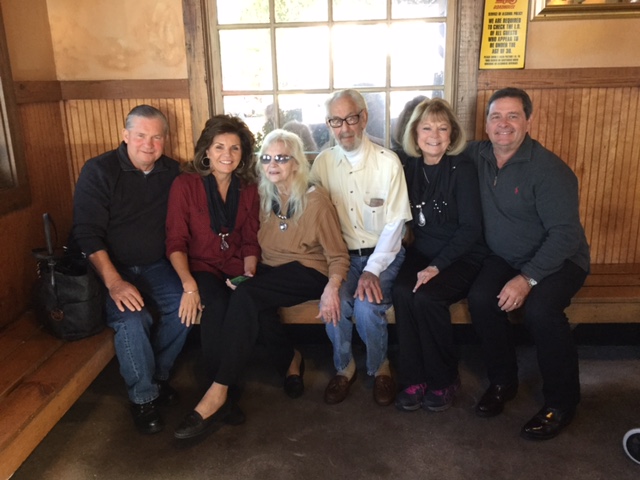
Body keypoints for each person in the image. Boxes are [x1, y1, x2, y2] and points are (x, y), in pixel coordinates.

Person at [174, 129, 349, 440]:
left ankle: (218, 390)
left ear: (297, 163)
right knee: (256, 304)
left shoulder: (315, 200)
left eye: (282, 158)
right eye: (267, 158)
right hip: (271, 272)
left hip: (309, 272)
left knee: (247, 295)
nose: (273, 164)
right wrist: (246, 269)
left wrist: (333, 287)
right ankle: (290, 360)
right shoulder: (262, 196)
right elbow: (247, 241)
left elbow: (337, 255)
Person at [465, 87, 590, 441]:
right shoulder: (476, 155)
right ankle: (503, 382)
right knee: (480, 298)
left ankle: (562, 402)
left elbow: (565, 236)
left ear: (528, 121)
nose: (503, 124)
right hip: (506, 256)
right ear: (486, 124)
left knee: (540, 311)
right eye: (496, 116)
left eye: (513, 116)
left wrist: (527, 279)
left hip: (559, 260)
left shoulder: (550, 170)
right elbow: (432, 145)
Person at [72, 105, 190, 434]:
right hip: (109, 267)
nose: (148, 144)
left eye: (156, 137)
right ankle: (142, 398)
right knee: (132, 318)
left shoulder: (173, 172)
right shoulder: (99, 170)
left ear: (165, 139)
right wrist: (114, 282)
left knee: (184, 304)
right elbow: (86, 233)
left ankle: (157, 377)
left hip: (155, 265)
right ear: (125, 136)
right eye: (140, 135)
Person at [311, 89, 412, 406]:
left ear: (364, 118)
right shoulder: (323, 164)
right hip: (342, 259)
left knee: (368, 307)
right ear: (329, 124)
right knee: (336, 304)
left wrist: (372, 270)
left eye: (351, 118)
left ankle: (380, 367)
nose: (344, 128)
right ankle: (344, 367)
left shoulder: (388, 162)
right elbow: (312, 213)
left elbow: (395, 226)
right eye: (336, 121)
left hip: (382, 255)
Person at [392, 98, 487, 413]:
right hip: (422, 252)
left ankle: (444, 378)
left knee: (427, 298)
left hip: (462, 256)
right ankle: (414, 378)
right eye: (427, 128)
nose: (434, 135)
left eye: (442, 128)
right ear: (415, 133)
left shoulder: (463, 169)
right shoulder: (408, 167)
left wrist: (437, 266)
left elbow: (471, 229)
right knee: (402, 291)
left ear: (452, 134)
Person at [165, 115, 261, 387]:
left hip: (236, 265)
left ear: (243, 154)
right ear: (206, 151)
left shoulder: (249, 188)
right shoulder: (185, 185)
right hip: (199, 266)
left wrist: (249, 272)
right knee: (217, 305)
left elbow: (250, 239)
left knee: (247, 301)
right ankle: (216, 387)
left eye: (234, 148)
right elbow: (175, 242)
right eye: (219, 147)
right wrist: (188, 286)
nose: (227, 155)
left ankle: (236, 378)